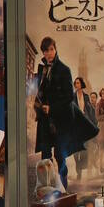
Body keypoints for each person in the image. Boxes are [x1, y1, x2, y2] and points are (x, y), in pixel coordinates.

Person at [33, 35, 76, 191]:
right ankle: (48, 190)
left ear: (55, 49)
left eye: (51, 49)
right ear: (43, 53)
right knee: (45, 157)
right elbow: (40, 91)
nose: (49, 53)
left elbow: (69, 96)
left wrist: (52, 108)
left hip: (59, 120)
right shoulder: (42, 70)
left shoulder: (64, 70)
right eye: (46, 51)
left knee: (60, 156)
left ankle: (64, 189)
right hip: (45, 120)